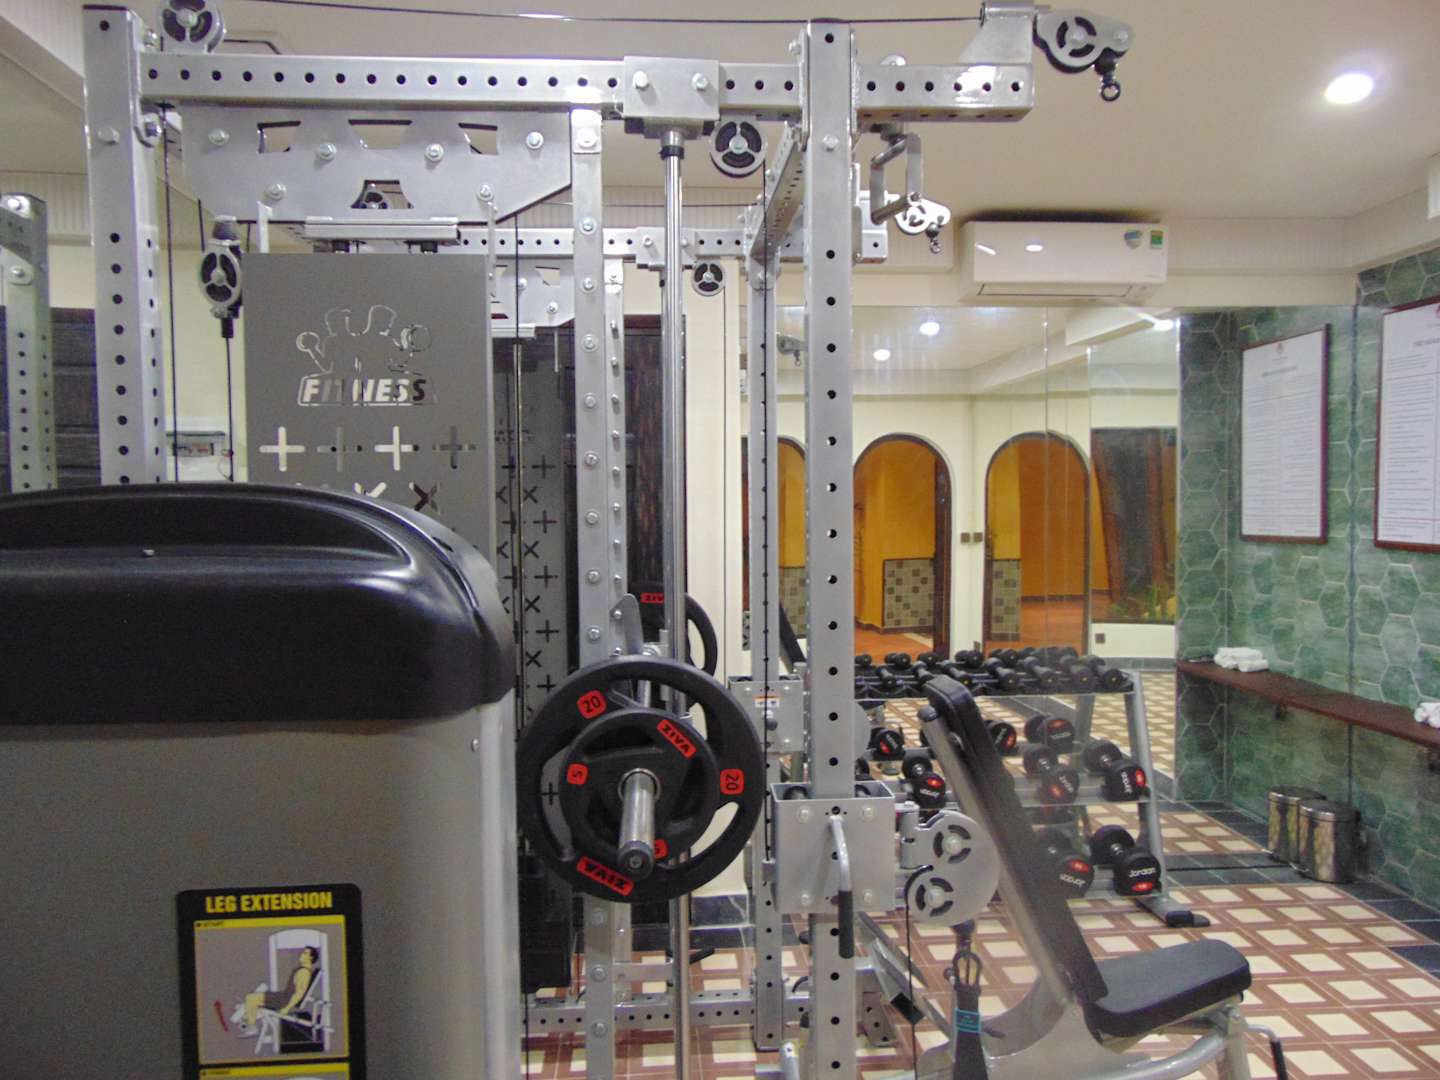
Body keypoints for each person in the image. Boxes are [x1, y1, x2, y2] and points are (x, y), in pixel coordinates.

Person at [235, 945, 319, 1034]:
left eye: (305, 953)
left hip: (283, 1000)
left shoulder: (303, 972)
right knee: (251, 1000)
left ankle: (251, 1027)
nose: (301, 954)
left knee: (251, 998)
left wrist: (286, 1008)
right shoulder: (302, 970)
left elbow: (299, 994)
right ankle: (248, 1020)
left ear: (311, 958)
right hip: (283, 997)